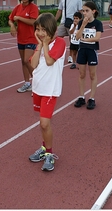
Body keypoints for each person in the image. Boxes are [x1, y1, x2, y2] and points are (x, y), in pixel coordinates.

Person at [28, 12, 66, 171]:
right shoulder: (39, 44)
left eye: (44, 29)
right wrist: (38, 45)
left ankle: (49, 154)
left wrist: (44, 44)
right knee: (42, 124)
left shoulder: (60, 42)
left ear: (52, 30)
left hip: (50, 90)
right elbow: (34, 65)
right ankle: (44, 149)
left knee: (44, 123)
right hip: (37, 88)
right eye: (37, 29)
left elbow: (50, 61)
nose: (40, 33)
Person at [8, 0, 39, 92]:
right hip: (20, 38)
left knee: (27, 61)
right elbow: (11, 19)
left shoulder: (33, 8)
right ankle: (27, 83)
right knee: (23, 62)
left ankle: (37, 82)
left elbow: (33, 22)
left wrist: (19, 18)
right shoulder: (17, 7)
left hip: (31, 38)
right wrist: (12, 25)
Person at [74, 1, 103, 110]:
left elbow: (97, 38)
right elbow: (77, 37)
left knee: (92, 75)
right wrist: (83, 25)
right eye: (83, 11)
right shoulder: (81, 22)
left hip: (92, 51)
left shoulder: (98, 23)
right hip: (82, 50)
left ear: (93, 11)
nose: (84, 13)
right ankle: (81, 97)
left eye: (87, 11)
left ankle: (92, 98)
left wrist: (85, 39)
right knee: (81, 74)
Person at [55, 0, 83, 64]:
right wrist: (54, 20)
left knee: (72, 41)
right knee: (58, 38)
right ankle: (57, 54)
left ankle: (70, 56)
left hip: (73, 23)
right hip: (63, 22)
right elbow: (59, 10)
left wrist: (81, 22)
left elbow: (80, 11)